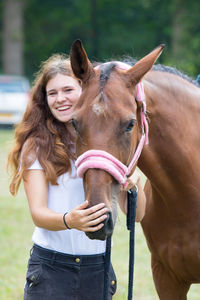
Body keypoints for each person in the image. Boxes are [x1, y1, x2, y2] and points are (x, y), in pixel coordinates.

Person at [7, 54, 146, 300]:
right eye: (52, 93)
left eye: (68, 90)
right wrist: (70, 220)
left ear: (84, 89)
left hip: (98, 268)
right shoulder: (37, 146)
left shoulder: (105, 146)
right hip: (51, 269)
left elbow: (138, 215)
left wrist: (133, 186)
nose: (60, 99)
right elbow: (38, 213)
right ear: (44, 99)